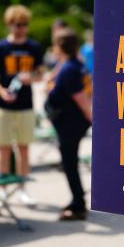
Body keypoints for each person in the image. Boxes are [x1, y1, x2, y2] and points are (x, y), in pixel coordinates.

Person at [0, 5, 44, 206]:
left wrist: (29, 78)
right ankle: (3, 192)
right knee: (3, 149)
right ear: (9, 25)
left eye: (24, 25)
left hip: (25, 105)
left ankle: (23, 189)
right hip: (3, 106)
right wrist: (1, 92)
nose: (21, 28)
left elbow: (40, 75)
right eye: (17, 25)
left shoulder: (33, 47)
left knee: (24, 149)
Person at [45, 29, 92, 221]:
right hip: (70, 121)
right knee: (70, 162)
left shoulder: (69, 69)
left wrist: (92, 118)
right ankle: (78, 199)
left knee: (70, 164)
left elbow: (81, 98)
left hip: (70, 123)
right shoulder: (74, 65)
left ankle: (78, 205)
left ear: (59, 47)